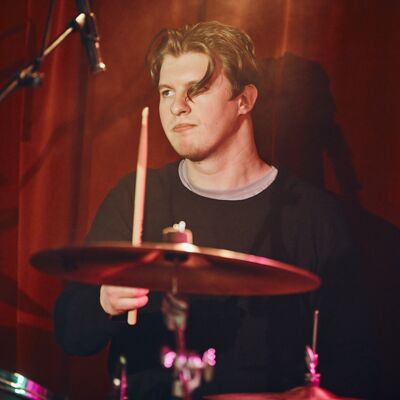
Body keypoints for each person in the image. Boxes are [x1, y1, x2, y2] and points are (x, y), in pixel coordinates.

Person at [54, 21, 377, 399]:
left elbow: (356, 365)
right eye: (167, 91)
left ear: (245, 100)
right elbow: (70, 334)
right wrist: (104, 301)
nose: (177, 106)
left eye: (198, 89)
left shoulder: (312, 217)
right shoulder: (137, 195)